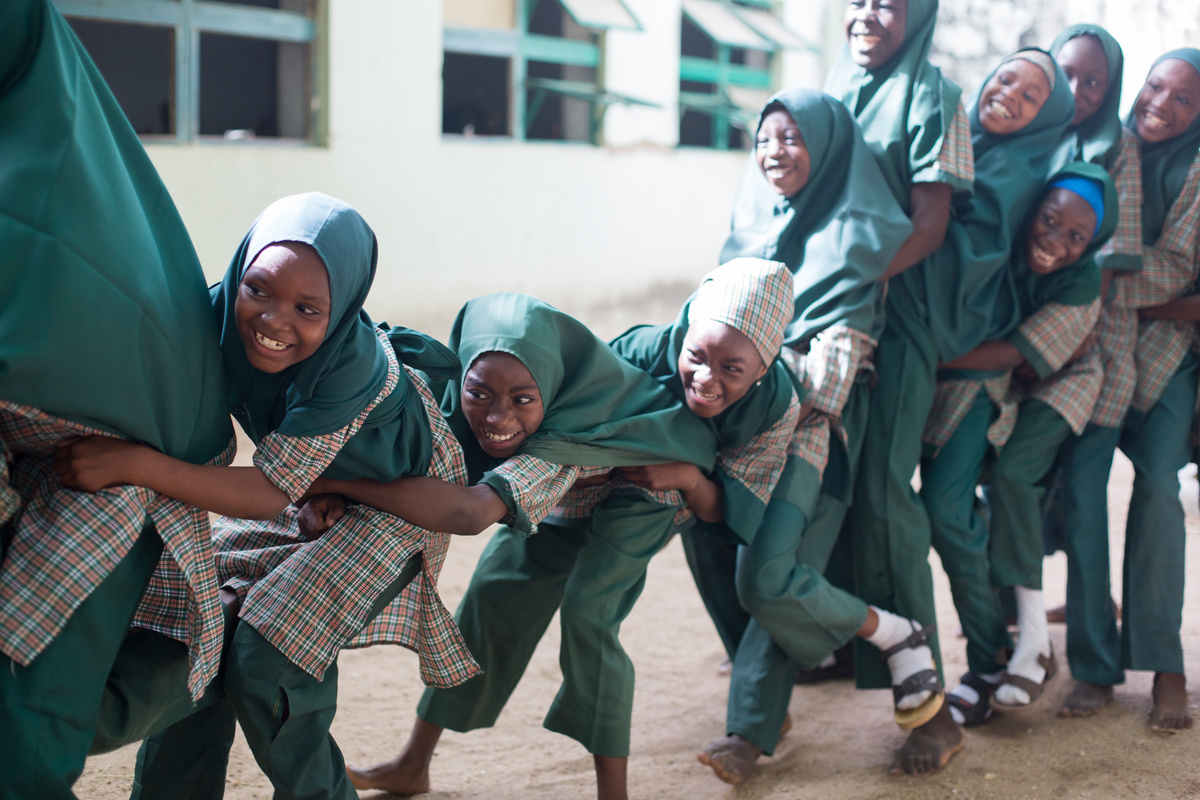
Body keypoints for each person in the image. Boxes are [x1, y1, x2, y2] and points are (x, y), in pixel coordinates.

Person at [58, 192, 484, 800]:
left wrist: (135, 465)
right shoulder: (210, 317)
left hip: (400, 502)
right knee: (200, 623)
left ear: (342, 308)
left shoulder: (351, 368)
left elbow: (264, 490)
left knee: (268, 655)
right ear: (239, 272)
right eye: (257, 289)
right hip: (306, 482)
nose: (273, 320)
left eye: (308, 309)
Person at [350, 259, 802, 800]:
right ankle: (413, 763)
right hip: (578, 476)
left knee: (591, 611)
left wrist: (685, 475)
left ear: (763, 366)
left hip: (653, 490)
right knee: (494, 591)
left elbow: (722, 510)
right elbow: (563, 439)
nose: (706, 377)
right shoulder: (631, 354)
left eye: (732, 368)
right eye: (697, 356)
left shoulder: (776, 408)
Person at [0, 1, 232, 796]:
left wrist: (140, 466)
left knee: (30, 717)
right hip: (42, 451)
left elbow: (274, 485)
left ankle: (204, 675)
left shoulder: (50, 190)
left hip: (114, 478)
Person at [685, 89, 938, 785]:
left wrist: (740, 374)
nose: (775, 152)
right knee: (701, 535)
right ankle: (771, 696)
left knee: (768, 576)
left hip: (810, 444)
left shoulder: (854, 241)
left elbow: (825, 385)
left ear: (827, 151)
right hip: (733, 433)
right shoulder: (751, 228)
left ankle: (749, 730)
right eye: (765, 138)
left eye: (793, 138)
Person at [847, 47, 1073, 774]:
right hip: (914, 353)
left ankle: (987, 656)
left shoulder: (1032, 178)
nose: (1010, 95)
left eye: (1032, 95)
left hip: (970, 369)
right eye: (1006, 78)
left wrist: (931, 220)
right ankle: (980, 652)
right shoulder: (949, 145)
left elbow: (962, 250)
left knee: (948, 514)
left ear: (1047, 118)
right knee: (899, 503)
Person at [814, 0, 975, 693]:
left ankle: (921, 678)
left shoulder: (934, 96)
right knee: (830, 480)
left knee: (884, 488)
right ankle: (842, 642)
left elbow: (930, 225)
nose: (867, 16)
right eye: (858, 1)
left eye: (889, 4)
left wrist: (853, 282)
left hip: (898, 315)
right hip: (830, 315)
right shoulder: (834, 88)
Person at [918, 165, 1116, 725]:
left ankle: (1034, 640)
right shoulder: (1004, 245)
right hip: (1010, 381)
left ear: (1092, 242)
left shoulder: (1081, 282)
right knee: (973, 498)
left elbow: (1014, 354)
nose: (1055, 240)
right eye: (1049, 220)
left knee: (1012, 478)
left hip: (1065, 380)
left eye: (1075, 236)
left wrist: (927, 357)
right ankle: (1000, 641)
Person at [1055, 49, 1200, 730]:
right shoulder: (1109, 147)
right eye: (1155, 87)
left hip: (1169, 357)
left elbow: (1176, 267)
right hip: (1094, 350)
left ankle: (1166, 666)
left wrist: (1104, 287)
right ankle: (1092, 662)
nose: (1160, 106)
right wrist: (1105, 291)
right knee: (1083, 496)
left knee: (1159, 490)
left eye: (1184, 100)